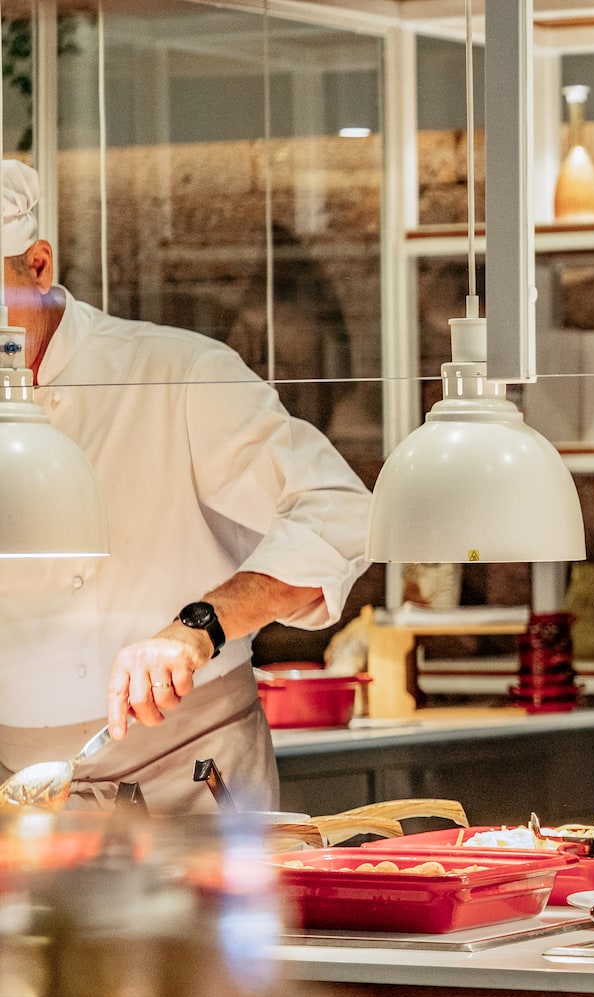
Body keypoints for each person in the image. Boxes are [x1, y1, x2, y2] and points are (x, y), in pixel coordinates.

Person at [0, 162, 370, 813]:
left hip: (192, 780)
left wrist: (199, 626)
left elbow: (338, 514)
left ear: (39, 267)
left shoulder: (176, 374)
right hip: (24, 798)